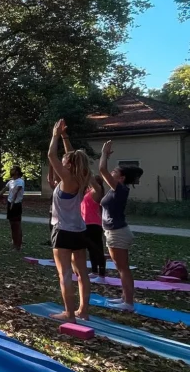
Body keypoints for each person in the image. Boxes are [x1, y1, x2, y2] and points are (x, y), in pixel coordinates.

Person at [47, 119, 91, 320]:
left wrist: (55, 135)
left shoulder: (67, 178)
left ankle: (70, 314)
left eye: (66, 160)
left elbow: (51, 155)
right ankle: (84, 311)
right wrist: (65, 136)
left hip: (63, 231)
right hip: (79, 231)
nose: (63, 160)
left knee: (64, 274)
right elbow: (71, 155)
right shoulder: (81, 177)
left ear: (69, 164)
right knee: (82, 274)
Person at [99, 140, 143, 312]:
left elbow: (102, 170)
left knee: (123, 268)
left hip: (117, 232)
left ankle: (129, 303)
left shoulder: (120, 189)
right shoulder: (115, 189)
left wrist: (104, 153)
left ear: (122, 178)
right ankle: (125, 298)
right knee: (121, 267)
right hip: (114, 231)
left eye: (115, 171)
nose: (111, 172)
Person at [0, 165, 25, 250]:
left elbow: (16, 193)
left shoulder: (20, 181)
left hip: (16, 205)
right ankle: (14, 242)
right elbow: (4, 190)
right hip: (10, 203)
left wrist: (13, 203)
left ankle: (18, 245)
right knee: (12, 225)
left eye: (13, 169)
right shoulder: (10, 182)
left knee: (17, 224)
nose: (11, 170)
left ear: (17, 171)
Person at [82, 176, 107, 283]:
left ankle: (102, 275)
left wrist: (87, 172)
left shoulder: (97, 192)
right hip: (85, 223)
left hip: (94, 224)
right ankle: (94, 271)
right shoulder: (88, 191)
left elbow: (91, 181)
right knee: (91, 249)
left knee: (98, 249)